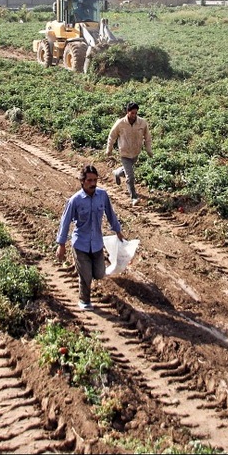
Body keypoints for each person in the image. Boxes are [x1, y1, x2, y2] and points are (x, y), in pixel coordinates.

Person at [56, 164, 125, 310]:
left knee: (99, 274)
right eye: (89, 180)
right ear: (82, 181)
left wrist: (118, 231)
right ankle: (84, 301)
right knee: (86, 276)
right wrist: (61, 244)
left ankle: (86, 271)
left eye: (95, 180)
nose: (93, 183)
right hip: (80, 243)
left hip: (97, 243)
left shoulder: (102, 195)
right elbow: (65, 221)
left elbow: (110, 214)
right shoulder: (75, 200)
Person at [105, 101, 153, 207]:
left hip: (135, 153)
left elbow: (147, 138)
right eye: (132, 113)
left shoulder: (142, 123)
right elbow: (112, 136)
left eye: (135, 113)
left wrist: (149, 150)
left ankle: (117, 173)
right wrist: (109, 149)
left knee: (127, 170)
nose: (134, 115)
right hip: (124, 153)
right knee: (130, 177)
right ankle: (134, 197)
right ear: (127, 112)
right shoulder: (120, 123)